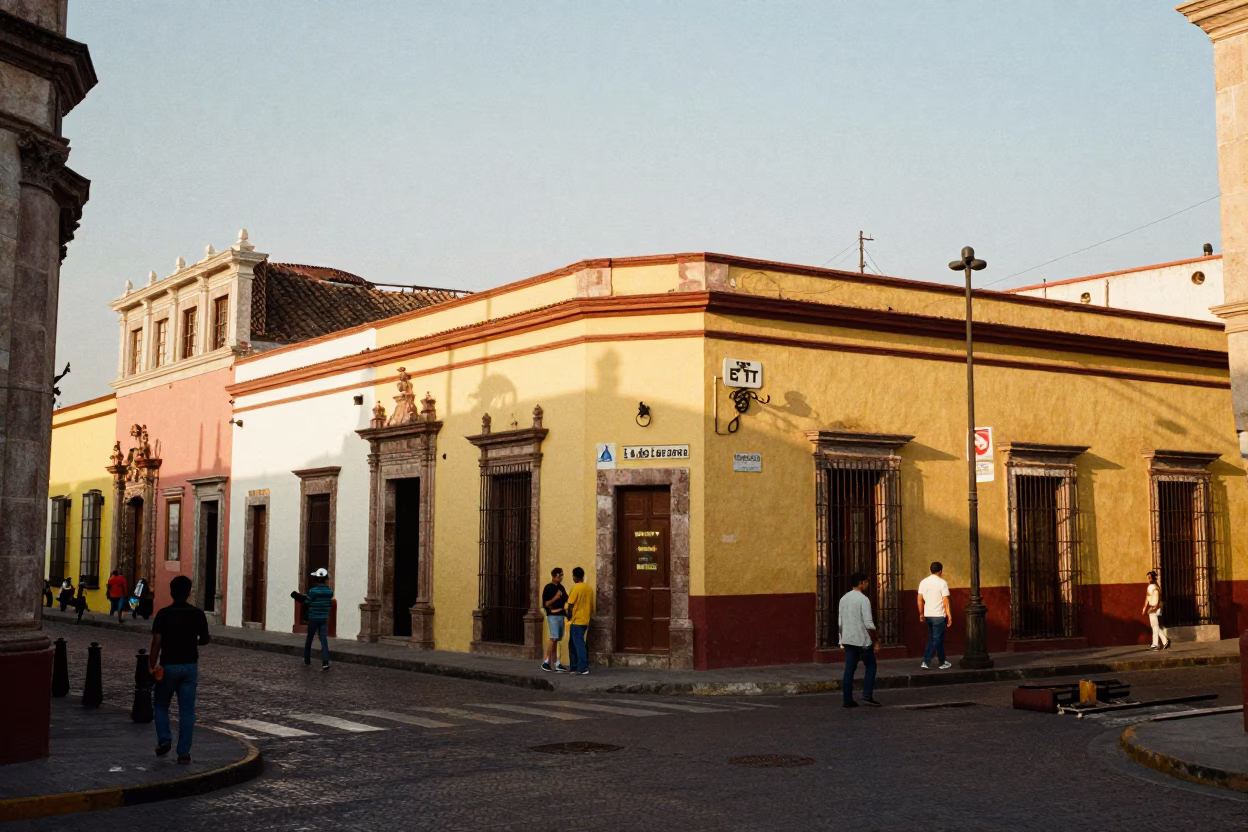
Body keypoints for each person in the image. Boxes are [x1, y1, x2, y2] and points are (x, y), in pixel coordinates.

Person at [149, 575, 210, 764]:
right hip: (190, 665)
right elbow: (205, 639)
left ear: (171, 592)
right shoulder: (197, 614)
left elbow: (156, 642)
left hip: (168, 665)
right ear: (189, 593)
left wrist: (151, 665)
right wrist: (192, 642)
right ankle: (184, 752)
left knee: (160, 704)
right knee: (187, 711)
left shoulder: (163, 614)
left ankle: (164, 739)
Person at [839, 572, 881, 708]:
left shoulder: (843, 599)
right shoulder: (864, 599)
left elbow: (840, 621)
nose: (867, 584)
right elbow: (868, 623)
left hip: (848, 639)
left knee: (849, 670)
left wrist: (841, 641)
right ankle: (867, 695)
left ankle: (847, 699)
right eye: (866, 582)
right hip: (862, 640)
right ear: (862, 583)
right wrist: (875, 640)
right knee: (871, 666)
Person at [917, 561, 953, 670]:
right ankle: (926, 661)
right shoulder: (942, 583)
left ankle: (942, 662)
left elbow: (919, 600)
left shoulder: (923, 582)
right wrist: (949, 615)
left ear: (930, 570)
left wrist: (921, 613)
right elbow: (945, 601)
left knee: (936, 638)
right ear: (941, 571)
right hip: (939, 615)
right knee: (936, 639)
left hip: (928, 614)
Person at [300, 568, 334, 670]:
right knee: (323, 640)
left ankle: (307, 661)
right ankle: (325, 662)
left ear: (317, 579)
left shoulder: (312, 591)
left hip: (313, 618)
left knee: (309, 640)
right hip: (323, 618)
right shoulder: (330, 592)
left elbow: (307, 602)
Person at [565, 566, 595, 675]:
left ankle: (583, 667)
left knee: (578, 644)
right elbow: (591, 606)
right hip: (585, 620)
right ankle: (574, 667)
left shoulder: (576, 587)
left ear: (575, 576)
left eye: (573, 576)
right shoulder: (589, 588)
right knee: (573, 644)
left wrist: (568, 616)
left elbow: (570, 604)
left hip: (576, 620)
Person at [541, 567, 570, 672]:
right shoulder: (548, 587)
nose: (561, 577)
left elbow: (567, 598)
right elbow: (546, 604)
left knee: (557, 639)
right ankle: (546, 662)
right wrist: (556, 597)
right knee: (553, 638)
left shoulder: (561, 587)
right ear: (554, 576)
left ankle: (556, 663)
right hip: (553, 616)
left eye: (562, 575)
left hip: (561, 615)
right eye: (560, 575)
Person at [1143, 570, 1171, 651]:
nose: (1148, 579)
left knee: (1154, 626)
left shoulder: (1151, 587)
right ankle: (1165, 641)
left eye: (1149, 577)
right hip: (1157, 608)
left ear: (1151, 578)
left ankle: (1155, 644)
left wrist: (1148, 608)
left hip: (1154, 608)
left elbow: (1149, 597)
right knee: (1155, 625)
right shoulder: (1156, 586)